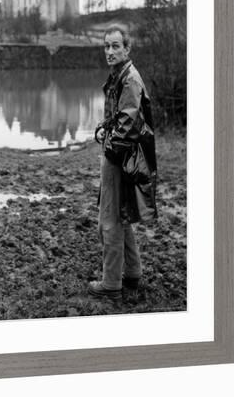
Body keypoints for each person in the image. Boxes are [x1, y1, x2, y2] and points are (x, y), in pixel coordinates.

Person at [88, 26, 157, 300]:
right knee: (122, 215)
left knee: (109, 220)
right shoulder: (121, 76)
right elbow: (120, 119)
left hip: (120, 158)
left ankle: (111, 283)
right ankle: (133, 273)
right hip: (124, 156)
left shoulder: (129, 79)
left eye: (116, 46)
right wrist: (105, 127)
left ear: (127, 49)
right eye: (106, 46)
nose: (110, 51)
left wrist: (109, 142)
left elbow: (127, 125)